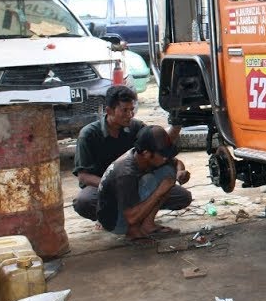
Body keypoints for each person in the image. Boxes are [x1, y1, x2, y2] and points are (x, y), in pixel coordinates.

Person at [72, 84, 188, 223]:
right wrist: (114, 185)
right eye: (124, 110)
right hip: (105, 188)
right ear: (109, 110)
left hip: (136, 184)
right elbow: (84, 177)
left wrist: (180, 171)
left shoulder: (137, 127)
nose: (130, 115)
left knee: (182, 196)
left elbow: (162, 152)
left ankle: (140, 216)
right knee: (84, 201)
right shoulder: (88, 134)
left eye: (132, 110)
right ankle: (108, 219)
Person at [98, 125, 193, 241]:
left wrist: (180, 171)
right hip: (116, 221)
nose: (165, 158)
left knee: (168, 171)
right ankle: (133, 232)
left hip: (125, 209)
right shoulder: (126, 173)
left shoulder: (142, 154)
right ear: (147, 153)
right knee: (154, 180)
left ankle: (147, 225)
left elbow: (177, 162)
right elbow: (131, 218)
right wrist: (159, 191)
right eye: (163, 155)